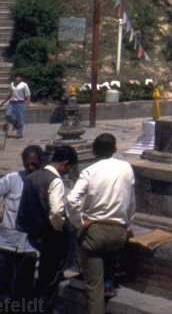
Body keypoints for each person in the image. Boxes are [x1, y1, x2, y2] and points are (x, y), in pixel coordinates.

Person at [67, 134, 135, 314]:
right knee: (110, 260)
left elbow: (72, 200)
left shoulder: (90, 171)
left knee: (93, 286)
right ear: (115, 149)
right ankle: (110, 283)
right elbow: (131, 201)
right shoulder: (126, 168)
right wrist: (127, 226)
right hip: (119, 232)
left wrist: (80, 223)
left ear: (94, 151)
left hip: (95, 231)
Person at [0, 145, 43, 305]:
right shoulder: (13, 179)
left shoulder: (46, 183)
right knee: (1, 286)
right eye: (27, 164)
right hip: (4, 243)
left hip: (28, 246)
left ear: (41, 162)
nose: (30, 167)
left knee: (24, 288)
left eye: (34, 164)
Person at [17, 145, 78, 313]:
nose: (67, 172)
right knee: (50, 280)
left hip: (33, 233)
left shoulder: (32, 177)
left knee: (44, 274)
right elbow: (57, 212)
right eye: (68, 168)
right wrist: (59, 229)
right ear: (65, 164)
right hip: (50, 236)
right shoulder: (55, 181)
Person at [0, 73, 32, 139]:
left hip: (20, 103)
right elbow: (10, 94)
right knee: (8, 115)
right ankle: (17, 124)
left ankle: (19, 133)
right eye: (16, 77)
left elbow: (28, 94)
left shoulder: (24, 85)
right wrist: (4, 101)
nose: (16, 78)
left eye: (18, 77)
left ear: (21, 78)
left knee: (20, 118)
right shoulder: (12, 84)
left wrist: (28, 103)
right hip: (12, 103)